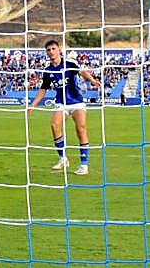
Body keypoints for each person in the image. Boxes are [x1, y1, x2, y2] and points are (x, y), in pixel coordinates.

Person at [27, 39, 100, 175]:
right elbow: (43, 89)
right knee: (54, 125)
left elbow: (82, 72)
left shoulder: (69, 63)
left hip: (76, 102)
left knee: (81, 129)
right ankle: (63, 158)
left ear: (59, 50)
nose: (51, 52)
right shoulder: (48, 71)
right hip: (61, 102)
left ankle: (84, 165)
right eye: (48, 50)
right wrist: (33, 105)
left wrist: (92, 80)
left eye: (53, 49)